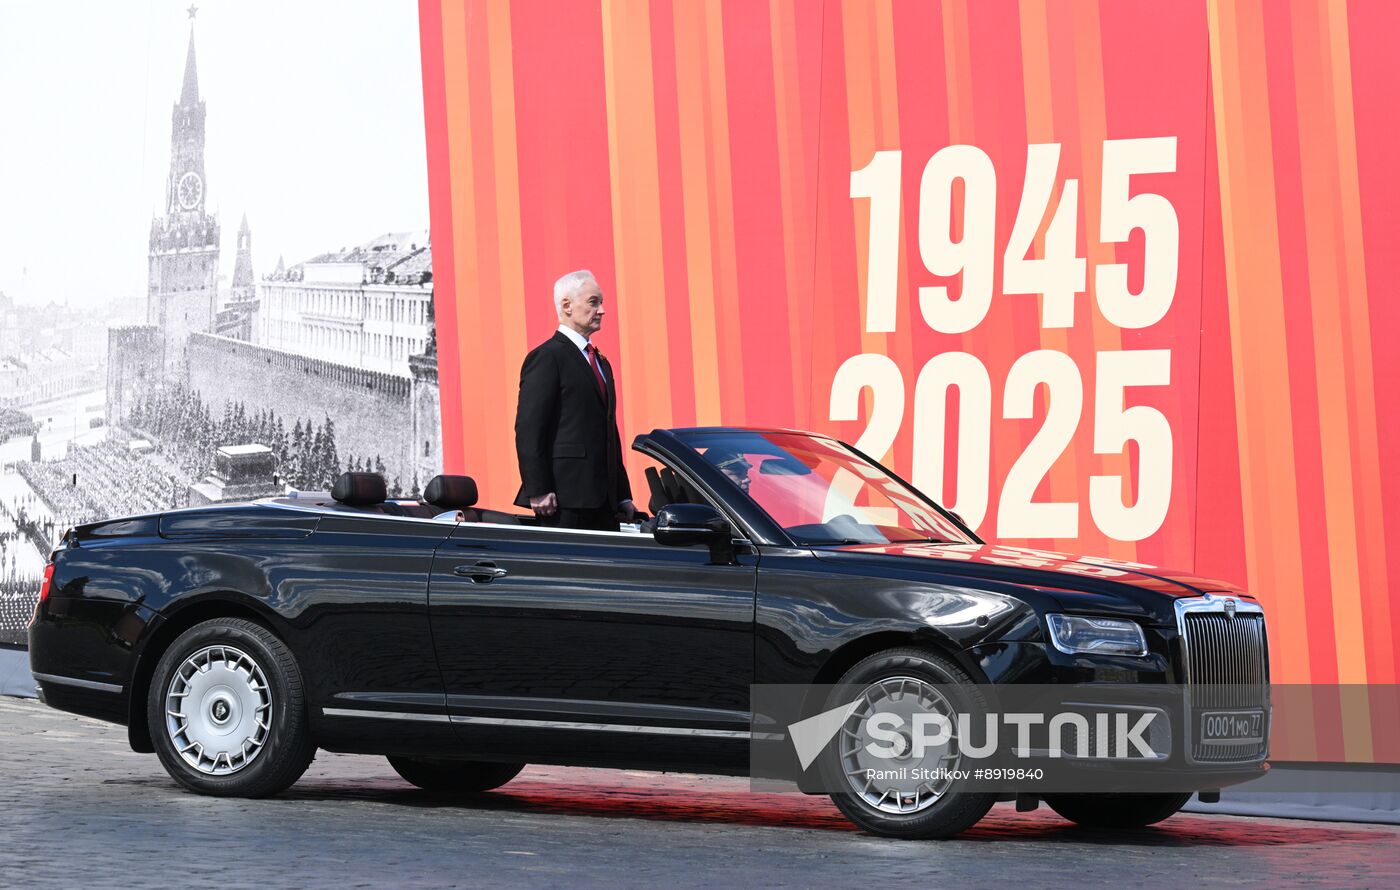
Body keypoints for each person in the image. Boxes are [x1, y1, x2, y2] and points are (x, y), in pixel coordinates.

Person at [514, 270, 635, 531]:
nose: (602, 310)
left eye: (602, 302)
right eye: (594, 302)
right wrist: (538, 489)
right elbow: (529, 428)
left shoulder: (600, 361)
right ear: (567, 306)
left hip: (604, 502)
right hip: (564, 500)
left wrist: (623, 494)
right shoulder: (547, 357)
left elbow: (608, 433)